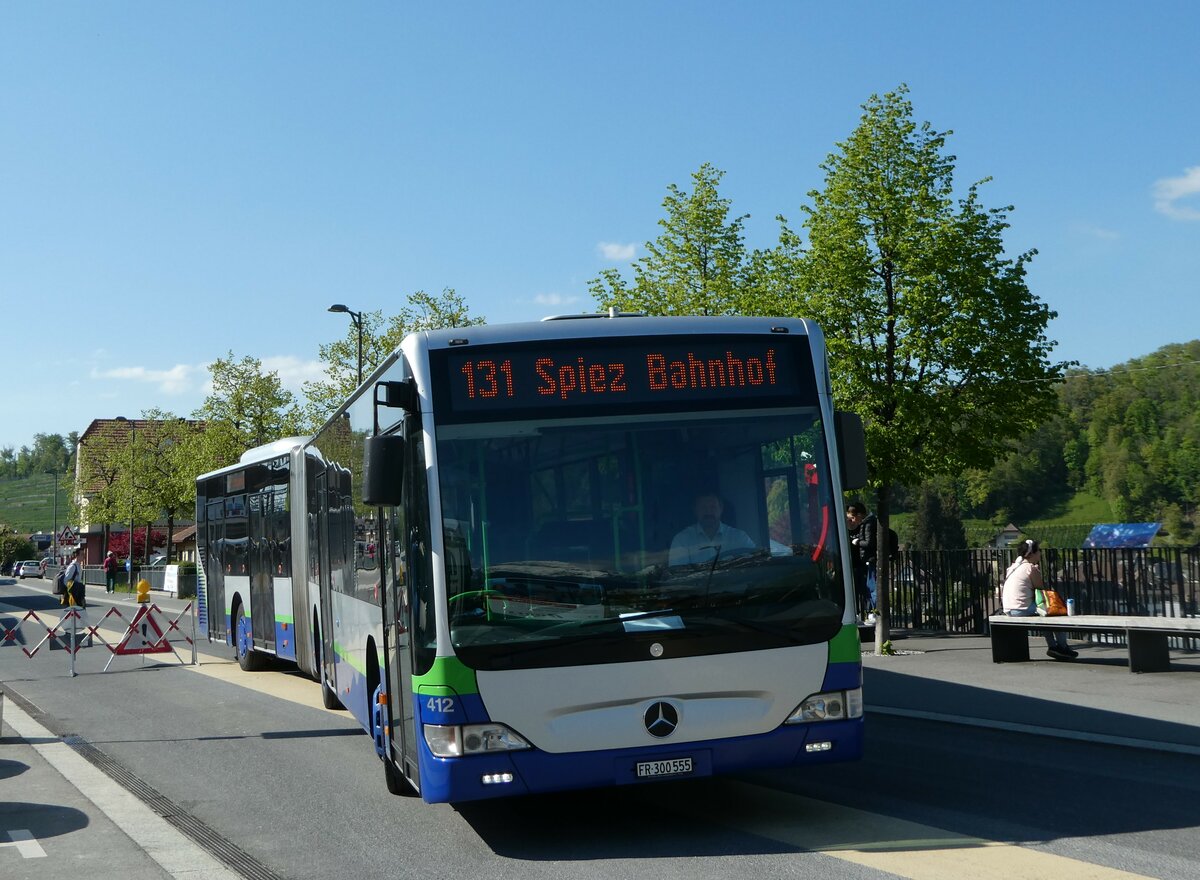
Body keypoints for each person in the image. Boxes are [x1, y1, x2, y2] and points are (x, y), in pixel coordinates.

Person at [1001, 538, 1076, 660]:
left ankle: (1053, 646)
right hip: (1021, 608)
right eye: (1039, 551)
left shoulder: (1014, 567)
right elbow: (1041, 590)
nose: (1040, 553)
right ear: (1032, 553)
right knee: (1054, 614)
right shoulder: (1030, 568)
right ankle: (1062, 647)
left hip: (1009, 608)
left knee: (1043, 615)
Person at [669, 491, 755, 566]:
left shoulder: (739, 537)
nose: (708, 512)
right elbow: (678, 577)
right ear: (695, 510)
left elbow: (756, 563)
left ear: (721, 509)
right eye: (703, 507)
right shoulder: (681, 540)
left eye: (713, 507)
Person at [845, 502, 877, 620]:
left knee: (868, 588)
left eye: (852, 518)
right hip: (853, 563)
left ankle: (870, 611)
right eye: (849, 519)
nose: (852, 521)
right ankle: (860, 612)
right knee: (857, 589)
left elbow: (868, 542)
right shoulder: (846, 529)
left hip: (863, 562)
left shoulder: (863, 525)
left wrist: (857, 542)